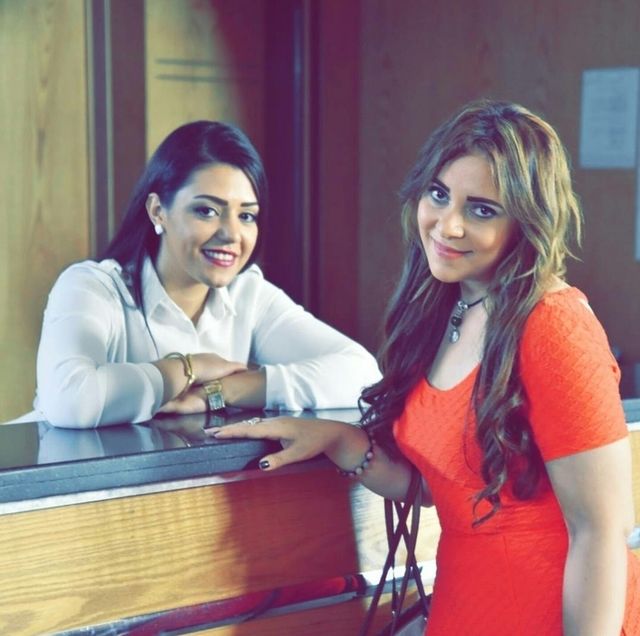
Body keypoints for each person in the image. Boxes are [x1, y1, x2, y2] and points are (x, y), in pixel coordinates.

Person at [208, 100, 640, 635]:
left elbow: (601, 530)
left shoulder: (553, 323)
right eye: (439, 195)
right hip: (467, 608)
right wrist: (341, 441)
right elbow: (446, 491)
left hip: (547, 614)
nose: (447, 225)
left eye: (482, 210)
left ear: (525, 222)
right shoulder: (449, 304)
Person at [21, 121, 380, 428]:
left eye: (247, 216)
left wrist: (224, 390)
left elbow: (362, 375)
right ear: (158, 211)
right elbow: (71, 401)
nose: (231, 234)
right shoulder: (90, 287)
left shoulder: (248, 295)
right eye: (207, 211)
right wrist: (186, 368)